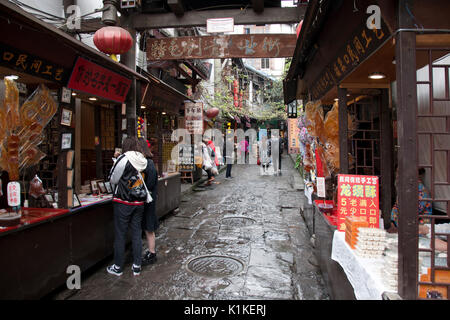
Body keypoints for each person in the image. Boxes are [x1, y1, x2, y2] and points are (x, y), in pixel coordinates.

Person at [107, 136, 150, 276]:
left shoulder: (124, 158)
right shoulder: (143, 160)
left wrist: (115, 162)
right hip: (139, 202)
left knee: (120, 234)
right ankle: (137, 265)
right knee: (137, 233)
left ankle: (118, 267)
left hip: (123, 201)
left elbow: (113, 179)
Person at [388, 167, 433, 233]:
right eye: (397, 172)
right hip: (404, 222)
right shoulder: (404, 187)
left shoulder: (420, 189)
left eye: (400, 173)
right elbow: (397, 206)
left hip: (420, 225)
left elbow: (414, 210)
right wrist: (392, 222)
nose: (397, 175)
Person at [138, 138, 159, 266]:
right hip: (148, 199)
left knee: (148, 227)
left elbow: (149, 184)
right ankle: (150, 252)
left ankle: (152, 253)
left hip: (148, 200)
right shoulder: (148, 163)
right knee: (147, 226)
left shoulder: (148, 164)